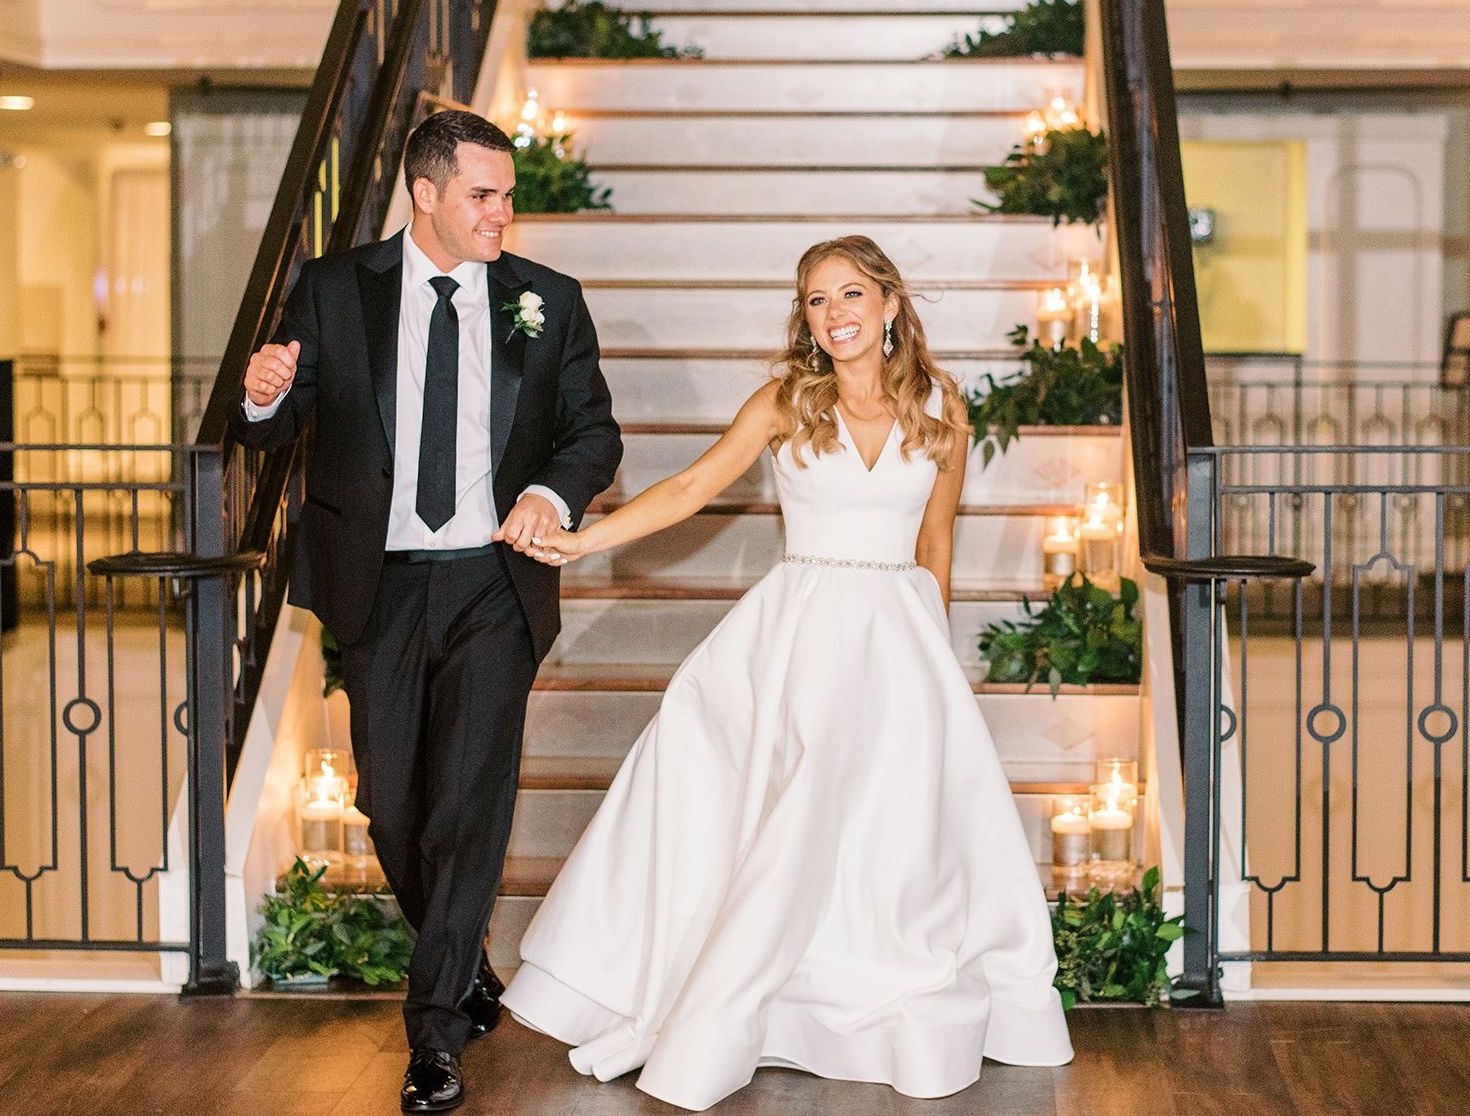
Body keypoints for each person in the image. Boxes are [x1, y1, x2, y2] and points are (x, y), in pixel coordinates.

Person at [502, 235, 1073, 1111]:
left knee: (888, 836)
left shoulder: (940, 405)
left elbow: (936, 543)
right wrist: (582, 541)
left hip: (897, 636)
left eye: (850, 295)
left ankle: (856, 993)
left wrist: (934, 656)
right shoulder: (784, 403)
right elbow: (692, 487)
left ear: (889, 302)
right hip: (798, 631)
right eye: (816, 300)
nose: (834, 315)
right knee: (776, 816)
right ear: (804, 317)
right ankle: (744, 999)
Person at [229, 109, 622, 1113]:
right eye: (484, 194)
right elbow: (267, 424)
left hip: (496, 580)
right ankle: (467, 972)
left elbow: (594, 432)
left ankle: (435, 1035)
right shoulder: (333, 289)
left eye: (508, 193)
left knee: (469, 805)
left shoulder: (546, 299)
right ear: (427, 193)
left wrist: (552, 494)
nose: (504, 212)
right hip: (383, 581)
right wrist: (266, 394)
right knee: (394, 804)